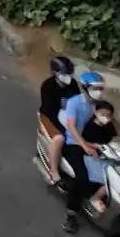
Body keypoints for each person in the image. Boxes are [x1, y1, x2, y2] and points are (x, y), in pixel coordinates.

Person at [58, 71, 105, 231]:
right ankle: (70, 216)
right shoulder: (74, 103)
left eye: (101, 88)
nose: (99, 92)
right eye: (95, 88)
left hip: (92, 142)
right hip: (73, 144)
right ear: (85, 88)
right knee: (82, 177)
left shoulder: (97, 104)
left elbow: (112, 121)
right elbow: (71, 125)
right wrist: (84, 145)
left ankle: (92, 197)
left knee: (108, 170)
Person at [40, 55, 80, 185]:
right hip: (49, 117)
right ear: (55, 73)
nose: (68, 76)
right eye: (65, 73)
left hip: (67, 117)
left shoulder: (73, 84)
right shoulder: (47, 86)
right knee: (59, 138)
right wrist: (65, 128)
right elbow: (50, 112)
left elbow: (78, 102)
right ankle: (53, 172)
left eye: (70, 73)